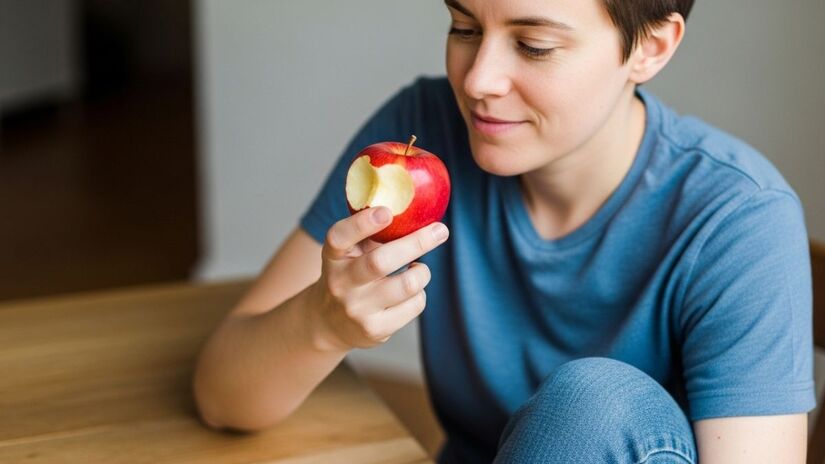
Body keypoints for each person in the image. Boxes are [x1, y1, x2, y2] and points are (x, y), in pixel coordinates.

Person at [192, 0, 816, 462]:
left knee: (593, 405)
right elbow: (221, 397)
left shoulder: (739, 221)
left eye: (534, 45)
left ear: (650, 48)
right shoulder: (421, 136)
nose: (477, 81)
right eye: (464, 28)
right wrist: (324, 324)